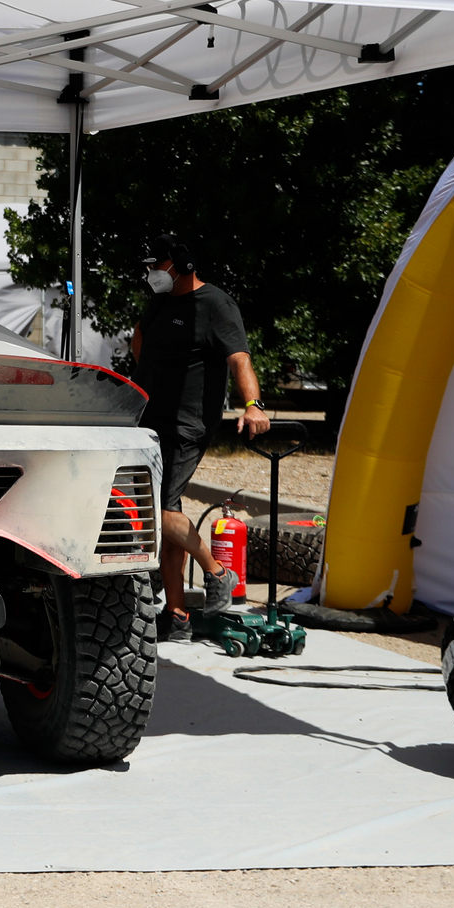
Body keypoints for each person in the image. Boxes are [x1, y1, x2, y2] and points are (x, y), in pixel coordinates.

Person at [130, 234, 270, 642]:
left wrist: (254, 404)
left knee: (157, 510)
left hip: (187, 424)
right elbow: (140, 337)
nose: (153, 272)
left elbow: (239, 358)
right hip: (149, 418)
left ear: (181, 264)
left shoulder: (216, 304)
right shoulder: (160, 302)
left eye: (159, 264)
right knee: (166, 510)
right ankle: (175, 614)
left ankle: (216, 572)